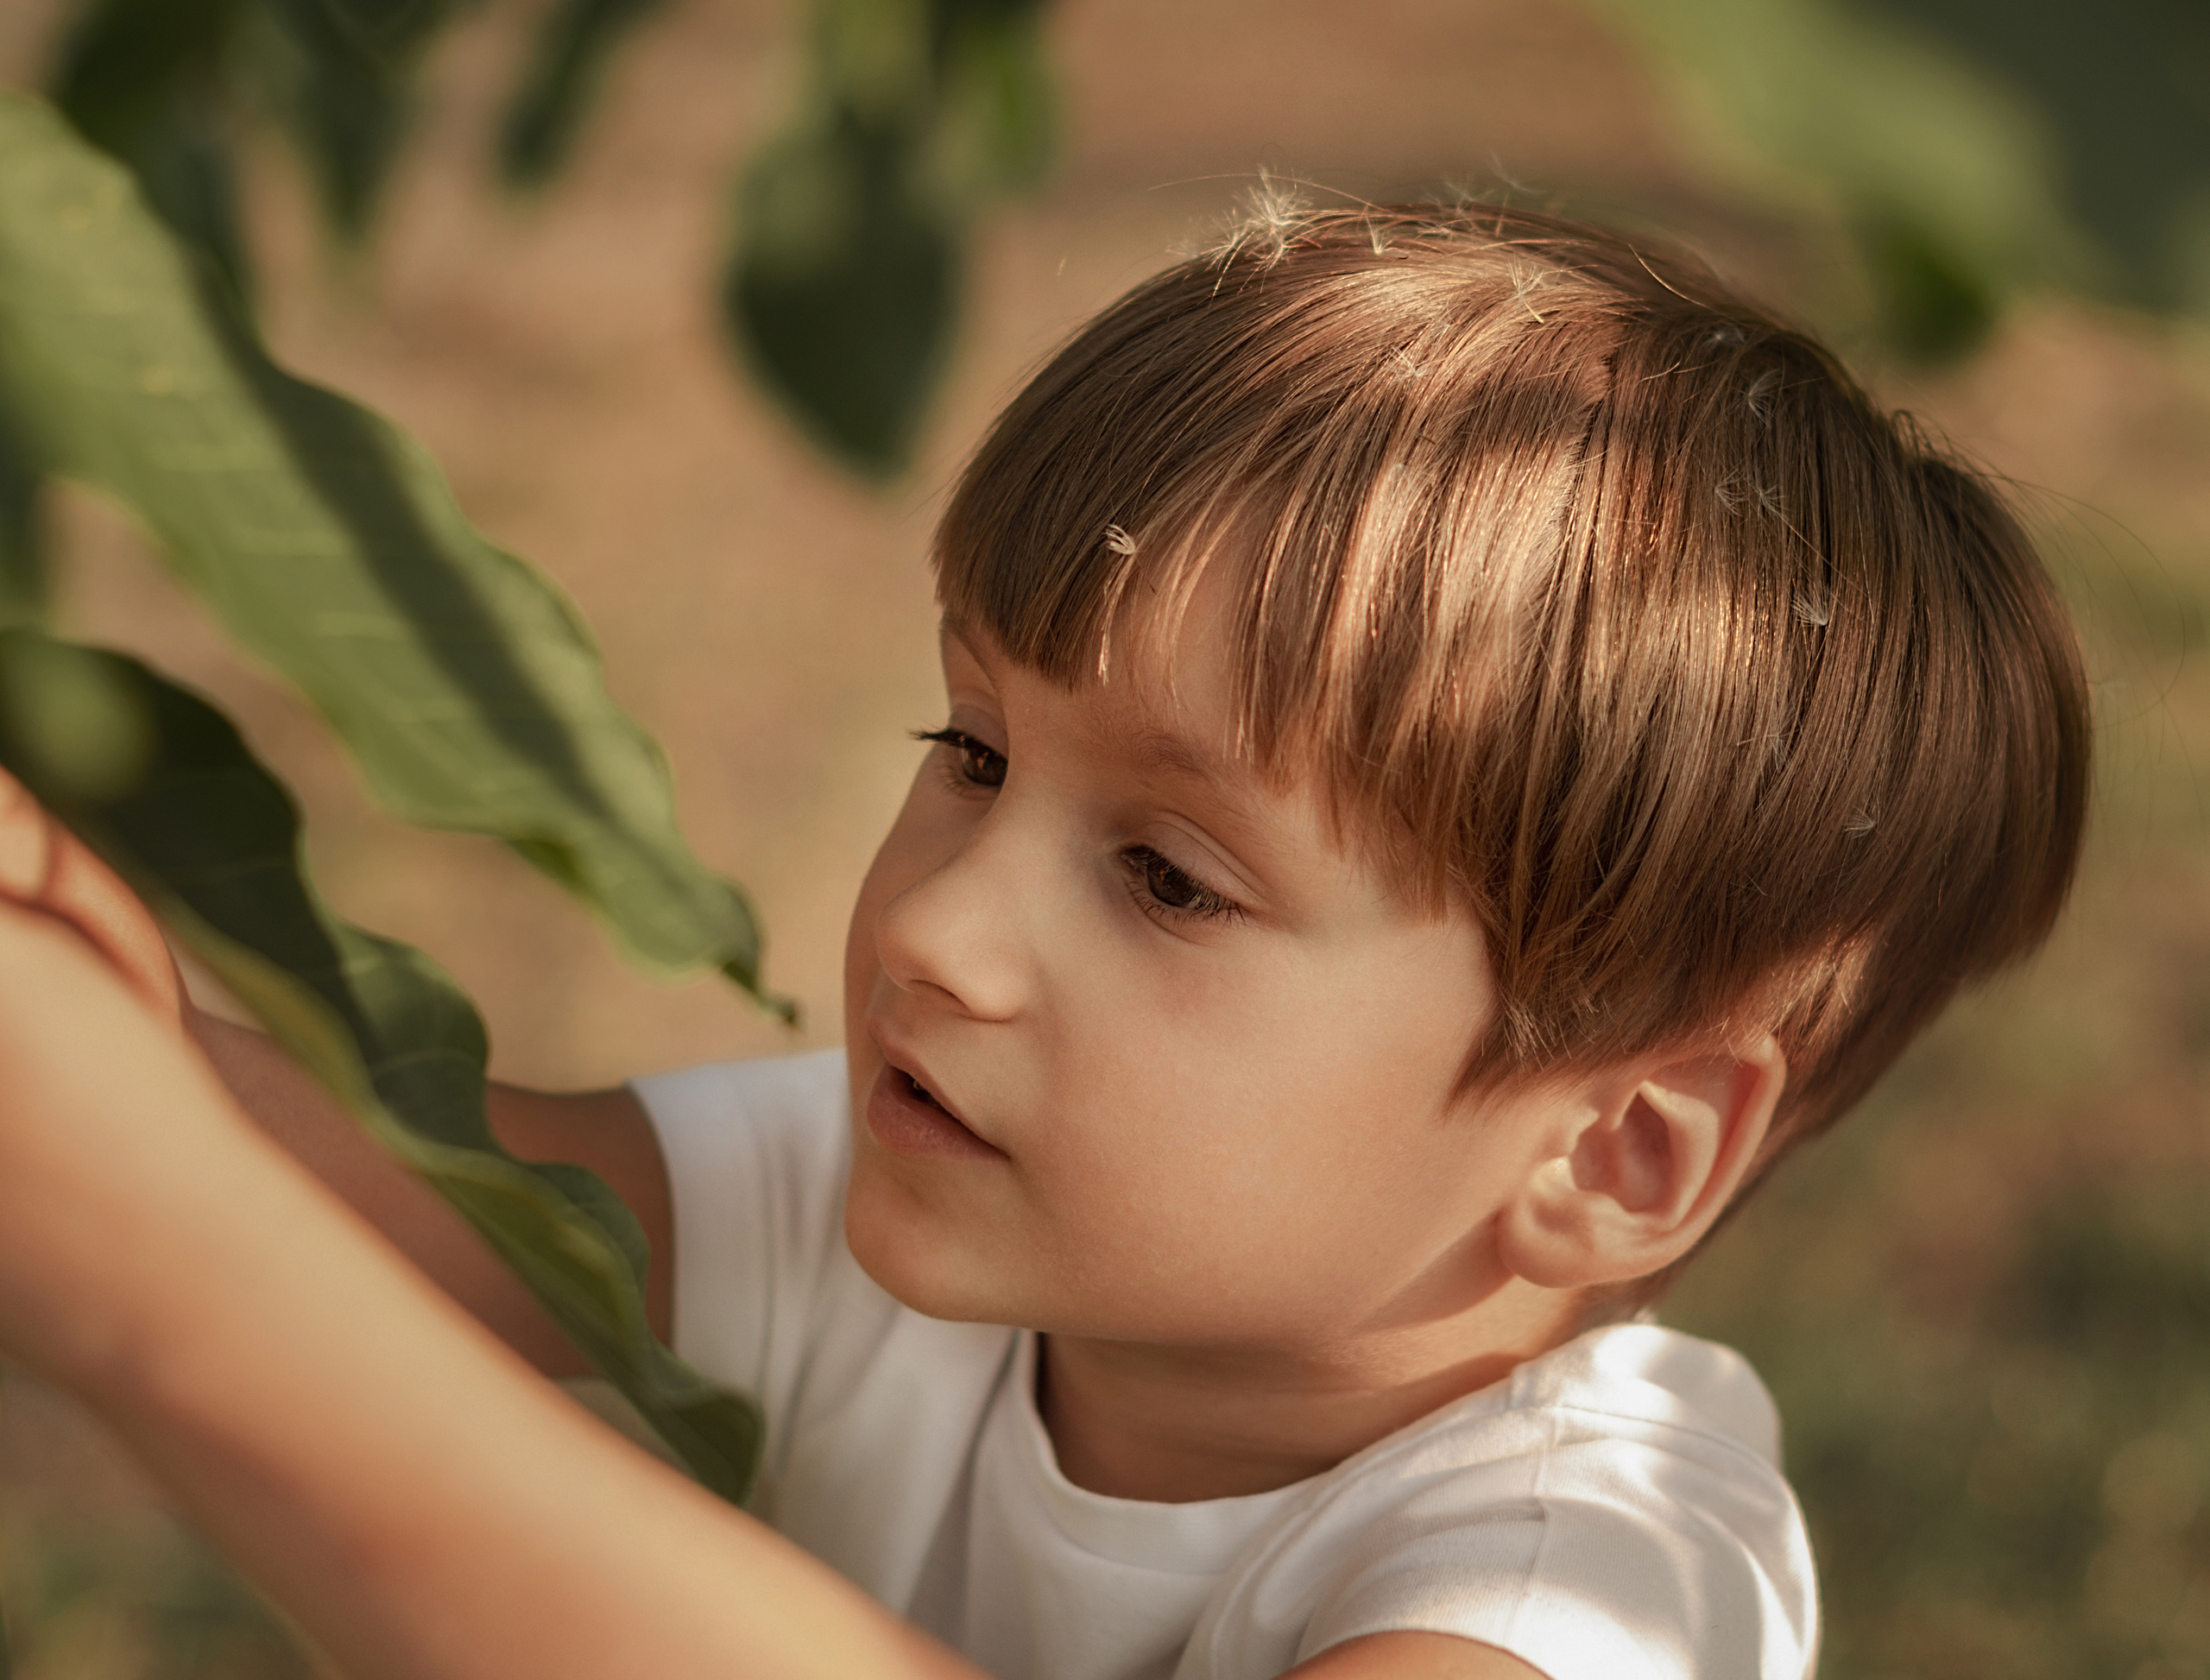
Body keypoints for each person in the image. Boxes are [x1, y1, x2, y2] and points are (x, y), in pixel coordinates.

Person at [0, 200, 2091, 1680]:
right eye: (972, 749)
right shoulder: (911, 1196)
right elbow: (409, 1192)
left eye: (1171, 876)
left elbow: (204, 1227)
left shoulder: (1594, 1583)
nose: (934, 924)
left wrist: (171, 1290)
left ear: (1613, 1150)